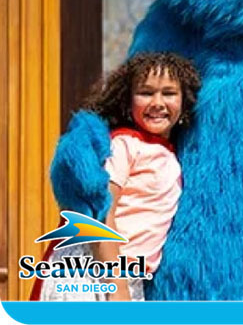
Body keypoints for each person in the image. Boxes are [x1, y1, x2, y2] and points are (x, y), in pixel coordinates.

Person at [39, 52, 201, 301]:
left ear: (185, 99)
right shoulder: (124, 144)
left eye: (169, 93)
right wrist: (116, 285)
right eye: (146, 93)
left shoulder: (169, 154)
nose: (157, 102)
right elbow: (102, 212)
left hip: (129, 276)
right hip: (95, 269)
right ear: (128, 101)